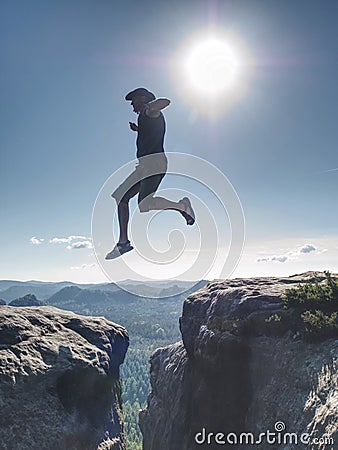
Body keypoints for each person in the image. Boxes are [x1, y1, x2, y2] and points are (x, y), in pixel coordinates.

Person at [105, 87, 195, 260]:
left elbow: (166, 102)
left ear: (142, 98)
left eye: (133, 102)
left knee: (144, 205)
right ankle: (123, 243)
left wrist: (150, 106)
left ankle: (182, 206)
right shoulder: (145, 118)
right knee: (121, 197)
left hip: (155, 164)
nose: (132, 107)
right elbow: (152, 133)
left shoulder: (151, 111)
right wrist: (139, 130)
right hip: (143, 166)